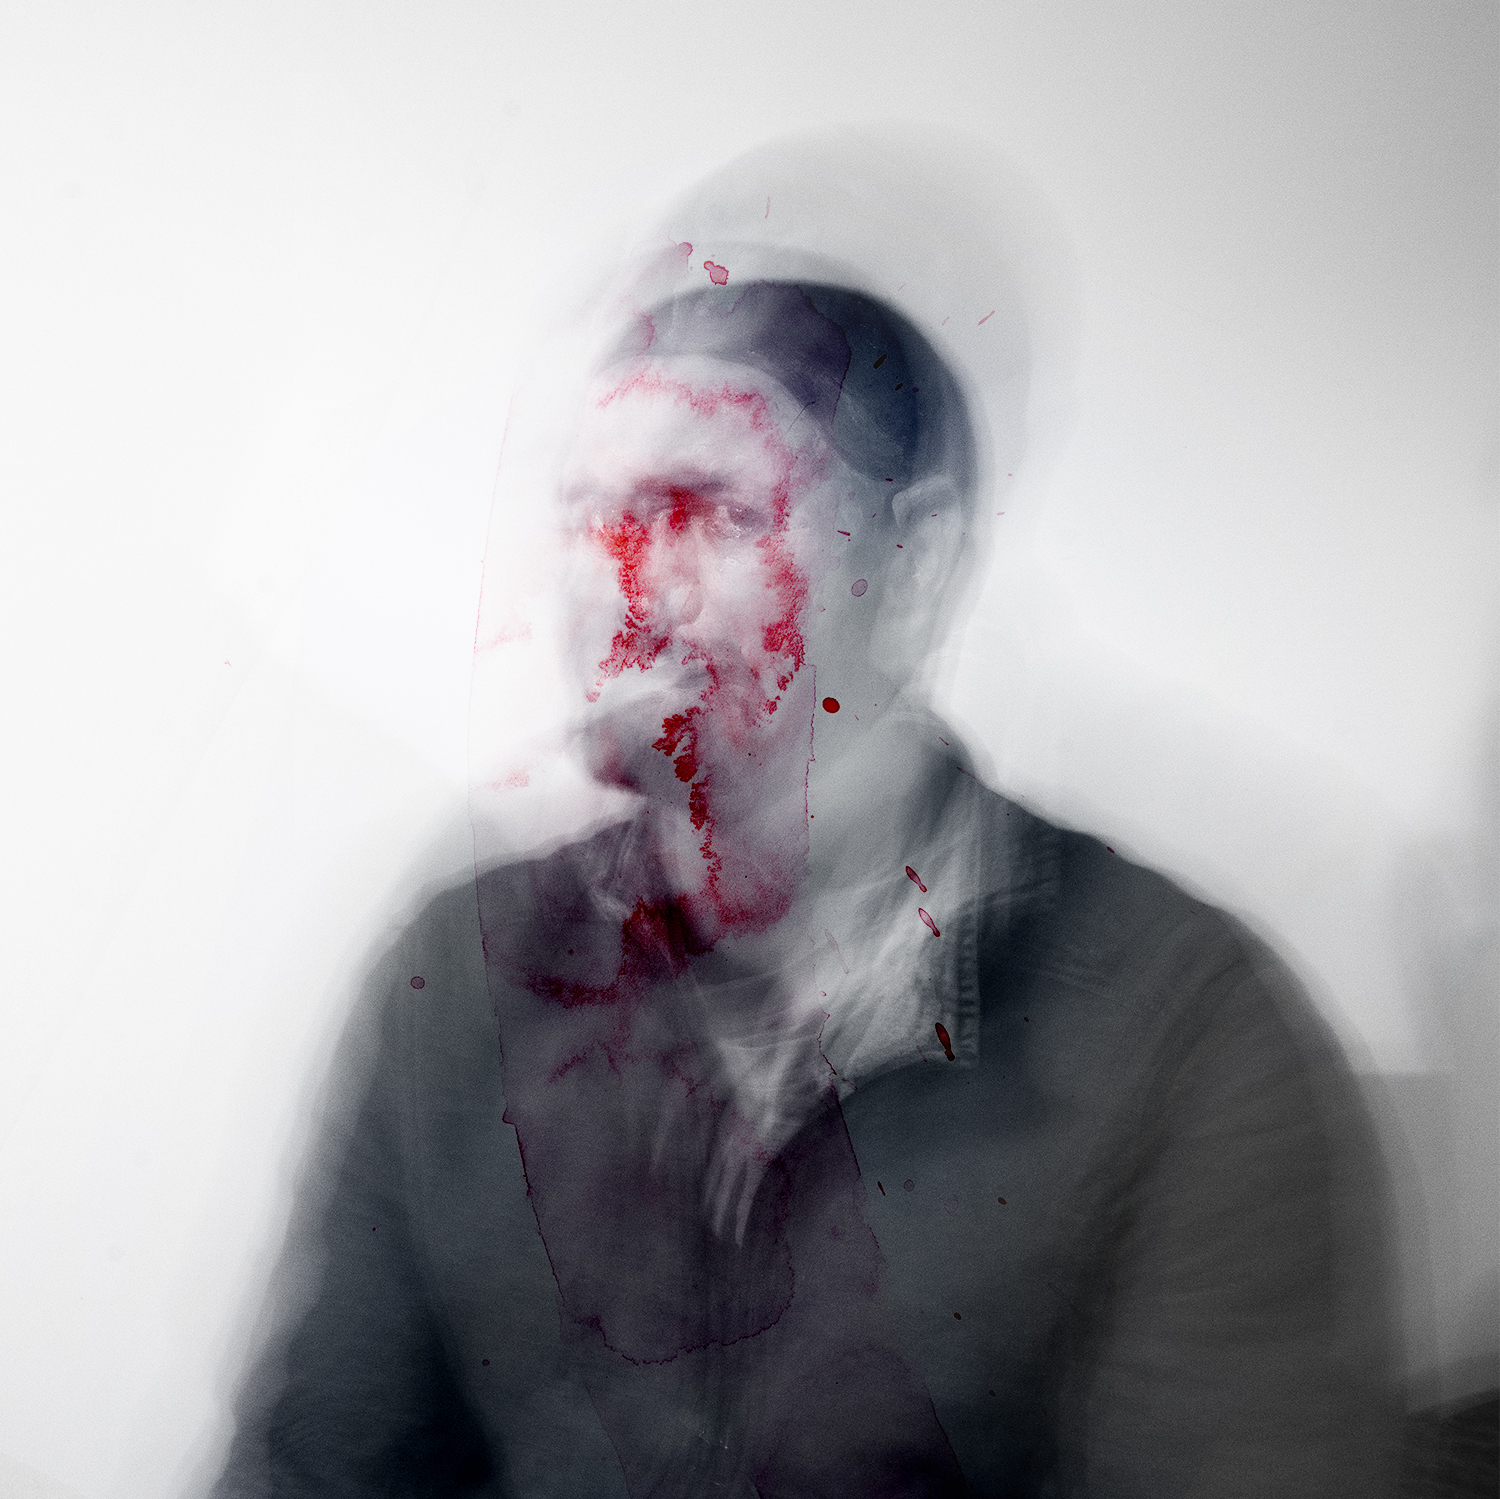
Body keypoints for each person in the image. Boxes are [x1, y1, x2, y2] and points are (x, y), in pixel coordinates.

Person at [212, 277, 1399, 1497]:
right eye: (589, 515)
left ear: (915, 566)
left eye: (712, 512)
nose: (624, 588)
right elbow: (309, 1462)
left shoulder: (1183, 1032)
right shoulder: (463, 967)